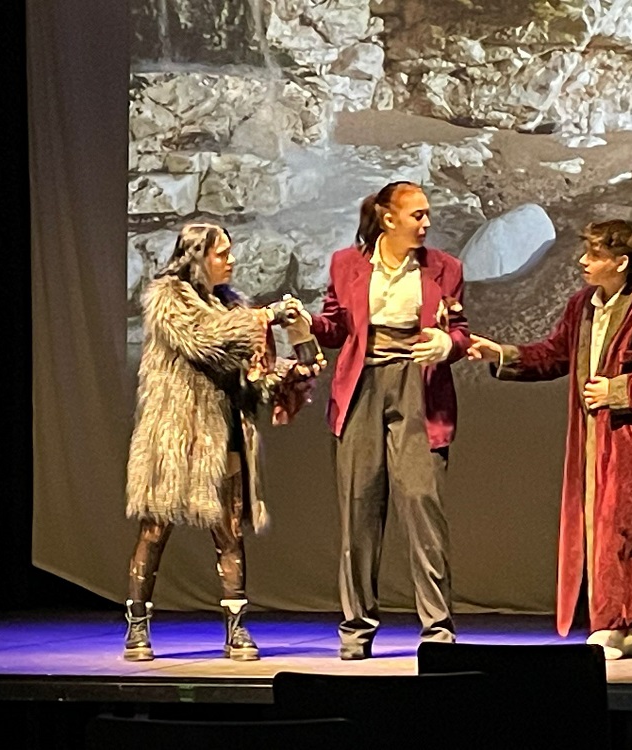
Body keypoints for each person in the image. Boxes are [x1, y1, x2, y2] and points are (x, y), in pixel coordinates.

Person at [468, 219, 632, 659]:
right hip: (593, 441)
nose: (583, 262)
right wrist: (502, 354)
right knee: (602, 530)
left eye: (594, 255)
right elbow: (555, 354)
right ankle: (618, 624)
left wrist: (620, 390)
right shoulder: (582, 307)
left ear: (621, 262)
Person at [123, 222, 322, 662]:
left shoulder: (231, 304)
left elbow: (246, 375)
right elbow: (204, 340)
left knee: (230, 531)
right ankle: (137, 624)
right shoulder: (169, 298)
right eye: (221, 253)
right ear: (197, 257)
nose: (230, 260)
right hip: (175, 435)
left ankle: (236, 627)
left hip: (223, 431)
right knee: (155, 530)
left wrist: (287, 374)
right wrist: (264, 317)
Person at [288, 181, 470, 659]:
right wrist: (306, 324)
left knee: (423, 506)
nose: (426, 223)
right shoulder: (346, 264)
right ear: (389, 219)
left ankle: (437, 631)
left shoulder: (445, 268)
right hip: (361, 387)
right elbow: (336, 326)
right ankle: (356, 631)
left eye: (426, 214)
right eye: (418, 215)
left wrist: (448, 344)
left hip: (418, 388)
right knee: (359, 511)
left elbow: (460, 331)